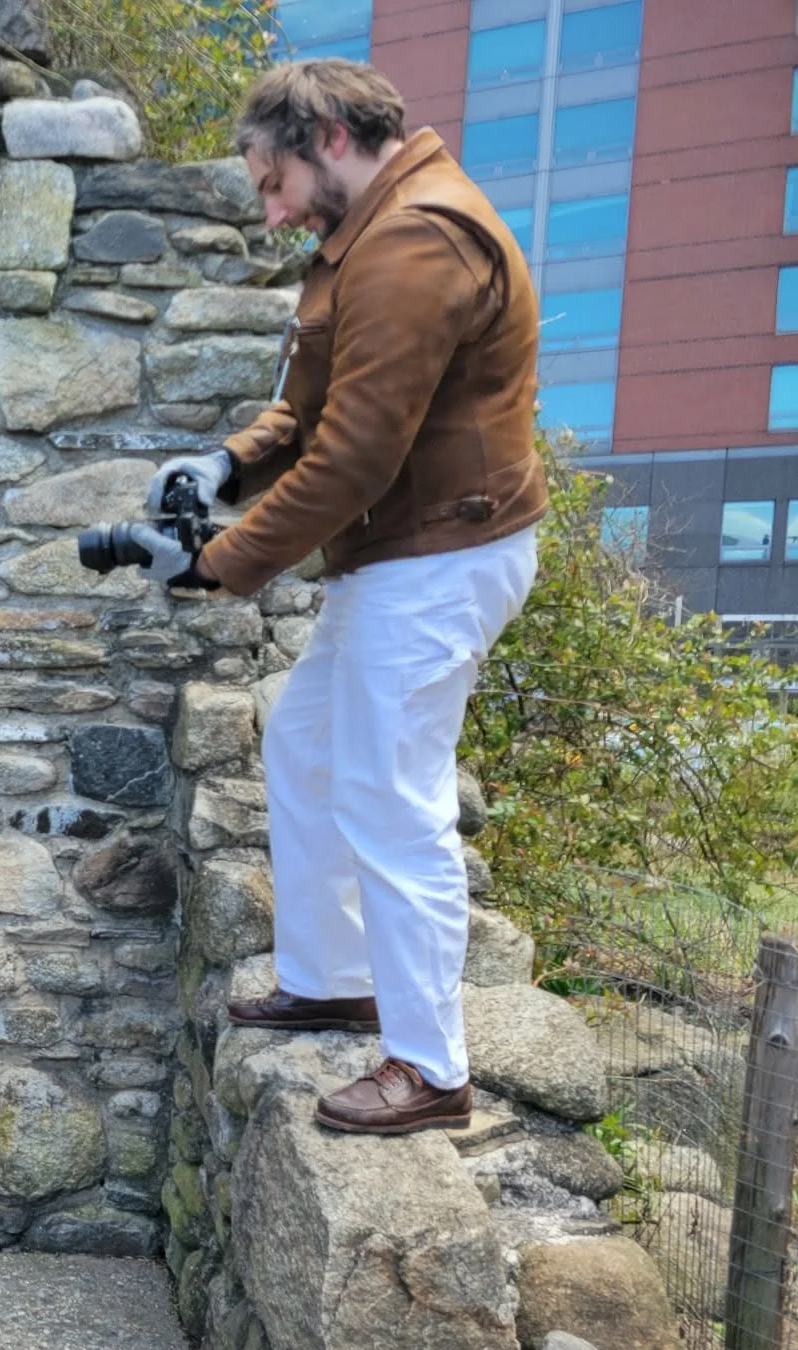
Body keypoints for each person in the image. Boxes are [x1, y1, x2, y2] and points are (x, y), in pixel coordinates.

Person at [126, 60, 547, 1135]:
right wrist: (222, 465)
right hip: (400, 556)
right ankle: (331, 975)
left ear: (325, 136)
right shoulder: (368, 235)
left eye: (273, 182)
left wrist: (221, 561)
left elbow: (355, 457)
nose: (270, 210)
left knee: (391, 798)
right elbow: (309, 406)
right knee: (305, 747)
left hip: (440, 555)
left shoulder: (416, 242)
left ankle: (430, 1067)